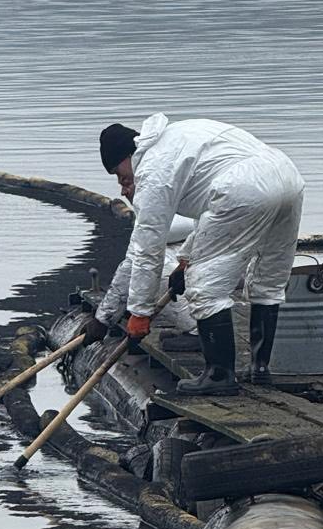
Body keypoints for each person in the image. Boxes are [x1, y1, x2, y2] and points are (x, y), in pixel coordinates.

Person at [98, 114, 304, 395]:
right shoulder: (179, 137)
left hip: (243, 188)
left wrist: (140, 312)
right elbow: (210, 213)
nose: (122, 181)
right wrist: (185, 260)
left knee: (205, 286)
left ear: (128, 155)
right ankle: (260, 369)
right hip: (287, 176)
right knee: (269, 278)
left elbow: (147, 248)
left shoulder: (151, 171)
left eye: (119, 173)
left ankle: (219, 376)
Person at [80, 220, 195, 344]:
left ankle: (196, 331)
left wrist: (102, 321)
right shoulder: (192, 222)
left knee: (156, 272)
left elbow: (131, 269)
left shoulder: (151, 222)